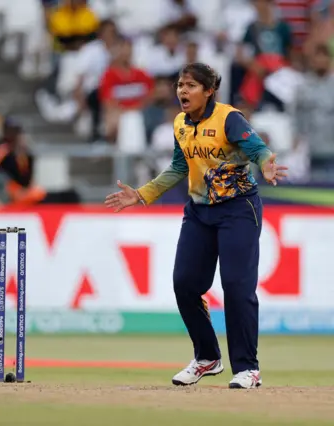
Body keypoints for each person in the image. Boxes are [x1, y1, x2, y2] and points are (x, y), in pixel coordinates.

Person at [104, 63, 288, 389]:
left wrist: (267, 164)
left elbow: (257, 149)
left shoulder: (229, 118)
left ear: (208, 91)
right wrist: (142, 194)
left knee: (236, 286)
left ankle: (248, 368)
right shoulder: (180, 123)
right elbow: (178, 167)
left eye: (189, 86)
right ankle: (207, 357)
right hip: (200, 211)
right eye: (179, 85)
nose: (182, 92)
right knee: (185, 283)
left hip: (238, 210)